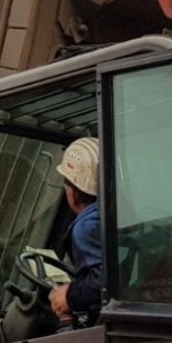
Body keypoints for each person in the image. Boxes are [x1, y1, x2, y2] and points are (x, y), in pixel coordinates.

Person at [49, 137, 104, 324]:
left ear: (72, 192)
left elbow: (104, 280)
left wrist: (69, 297)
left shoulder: (87, 225)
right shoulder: (119, 217)